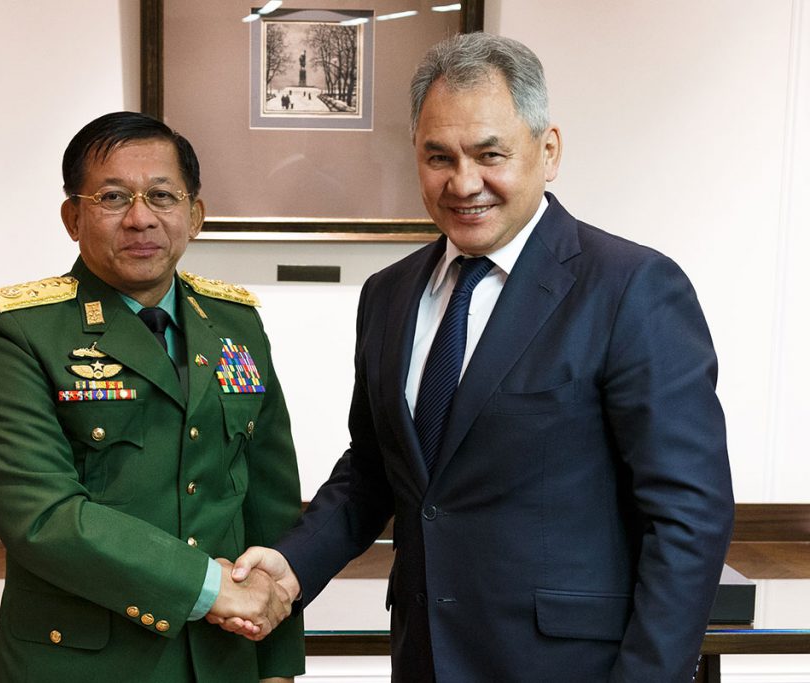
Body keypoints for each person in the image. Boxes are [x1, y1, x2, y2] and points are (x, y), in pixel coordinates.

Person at [222, 33, 734, 682]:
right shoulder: (389, 295)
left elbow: (689, 516)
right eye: (438, 156)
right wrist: (292, 566)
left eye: (490, 154)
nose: (463, 183)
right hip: (425, 659)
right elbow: (375, 471)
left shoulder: (630, 289)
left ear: (548, 151)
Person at [0, 111, 304, 682]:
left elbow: (269, 508)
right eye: (113, 197)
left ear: (195, 215)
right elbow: (41, 515)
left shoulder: (235, 323)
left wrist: (276, 664)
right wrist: (207, 586)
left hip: (222, 661)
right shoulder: (20, 330)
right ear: (73, 217)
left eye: (163, 196)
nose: (141, 219)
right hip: (79, 664)